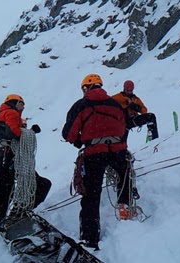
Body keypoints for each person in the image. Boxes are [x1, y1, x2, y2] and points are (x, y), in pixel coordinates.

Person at [62, 73, 132, 250]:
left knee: (91, 196)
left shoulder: (81, 105)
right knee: (124, 181)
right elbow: (124, 127)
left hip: (94, 153)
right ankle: (125, 213)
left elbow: (68, 133)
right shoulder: (115, 104)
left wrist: (81, 141)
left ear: (86, 88)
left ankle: (90, 238)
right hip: (118, 151)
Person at [0, 94, 52, 235]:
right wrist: (31, 131)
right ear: (15, 103)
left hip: (5, 155)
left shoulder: (3, 114)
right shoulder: (11, 113)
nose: (23, 107)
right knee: (32, 185)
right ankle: (15, 214)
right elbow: (14, 132)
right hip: (9, 156)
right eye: (21, 104)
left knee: (3, 189)